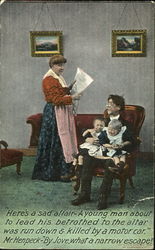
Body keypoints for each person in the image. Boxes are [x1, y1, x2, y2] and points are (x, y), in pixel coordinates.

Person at [71, 94, 135, 209]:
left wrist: (119, 146)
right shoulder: (103, 121)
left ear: (118, 107)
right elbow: (89, 131)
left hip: (113, 155)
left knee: (110, 164)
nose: (107, 106)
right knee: (87, 159)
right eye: (107, 103)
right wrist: (88, 138)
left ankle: (103, 197)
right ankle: (85, 194)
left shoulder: (126, 124)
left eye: (111, 104)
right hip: (99, 152)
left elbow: (132, 142)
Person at [32, 54, 81, 182]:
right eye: (59, 65)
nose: (62, 67)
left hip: (60, 111)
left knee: (62, 140)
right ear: (52, 66)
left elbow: (59, 93)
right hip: (54, 113)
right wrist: (73, 97)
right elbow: (55, 99)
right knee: (57, 140)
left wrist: (69, 88)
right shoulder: (49, 79)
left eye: (63, 65)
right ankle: (55, 173)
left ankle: (65, 171)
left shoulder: (57, 78)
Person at [71, 117, 106, 190]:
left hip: (97, 149)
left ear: (104, 126)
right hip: (90, 147)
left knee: (81, 154)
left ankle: (74, 167)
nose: (99, 127)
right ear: (94, 125)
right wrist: (87, 131)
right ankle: (77, 172)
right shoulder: (93, 130)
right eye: (97, 125)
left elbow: (98, 141)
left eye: (101, 125)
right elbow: (84, 135)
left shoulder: (103, 133)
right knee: (81, 156)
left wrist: (93, 135)